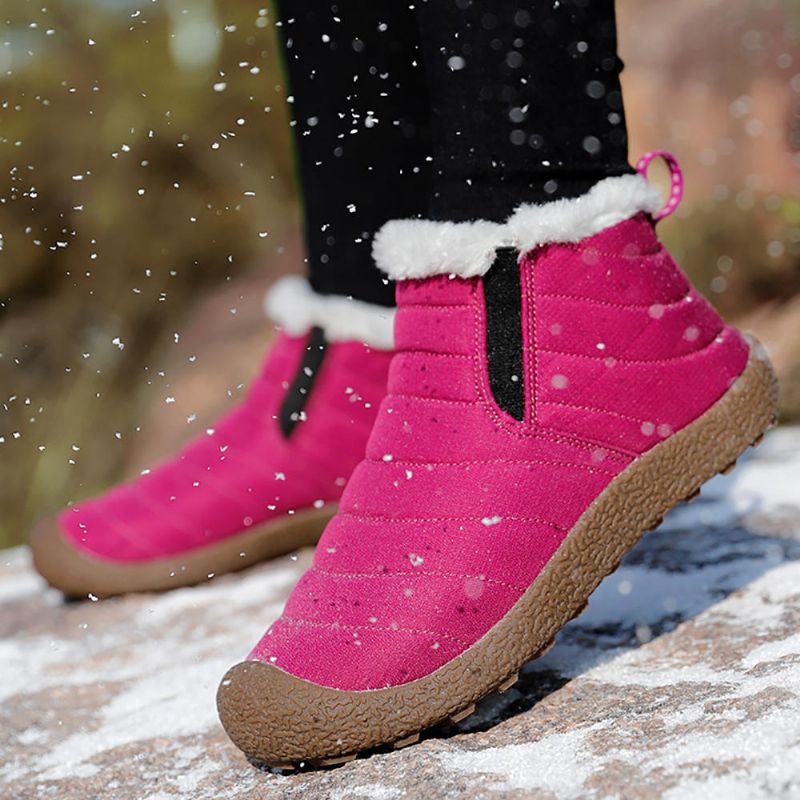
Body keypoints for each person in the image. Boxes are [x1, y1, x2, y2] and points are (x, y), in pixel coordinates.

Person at [34, 0, 778, 766]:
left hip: (533, 328)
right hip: (438, 345)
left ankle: (568, 279)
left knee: (520, 166)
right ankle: (375, 335)